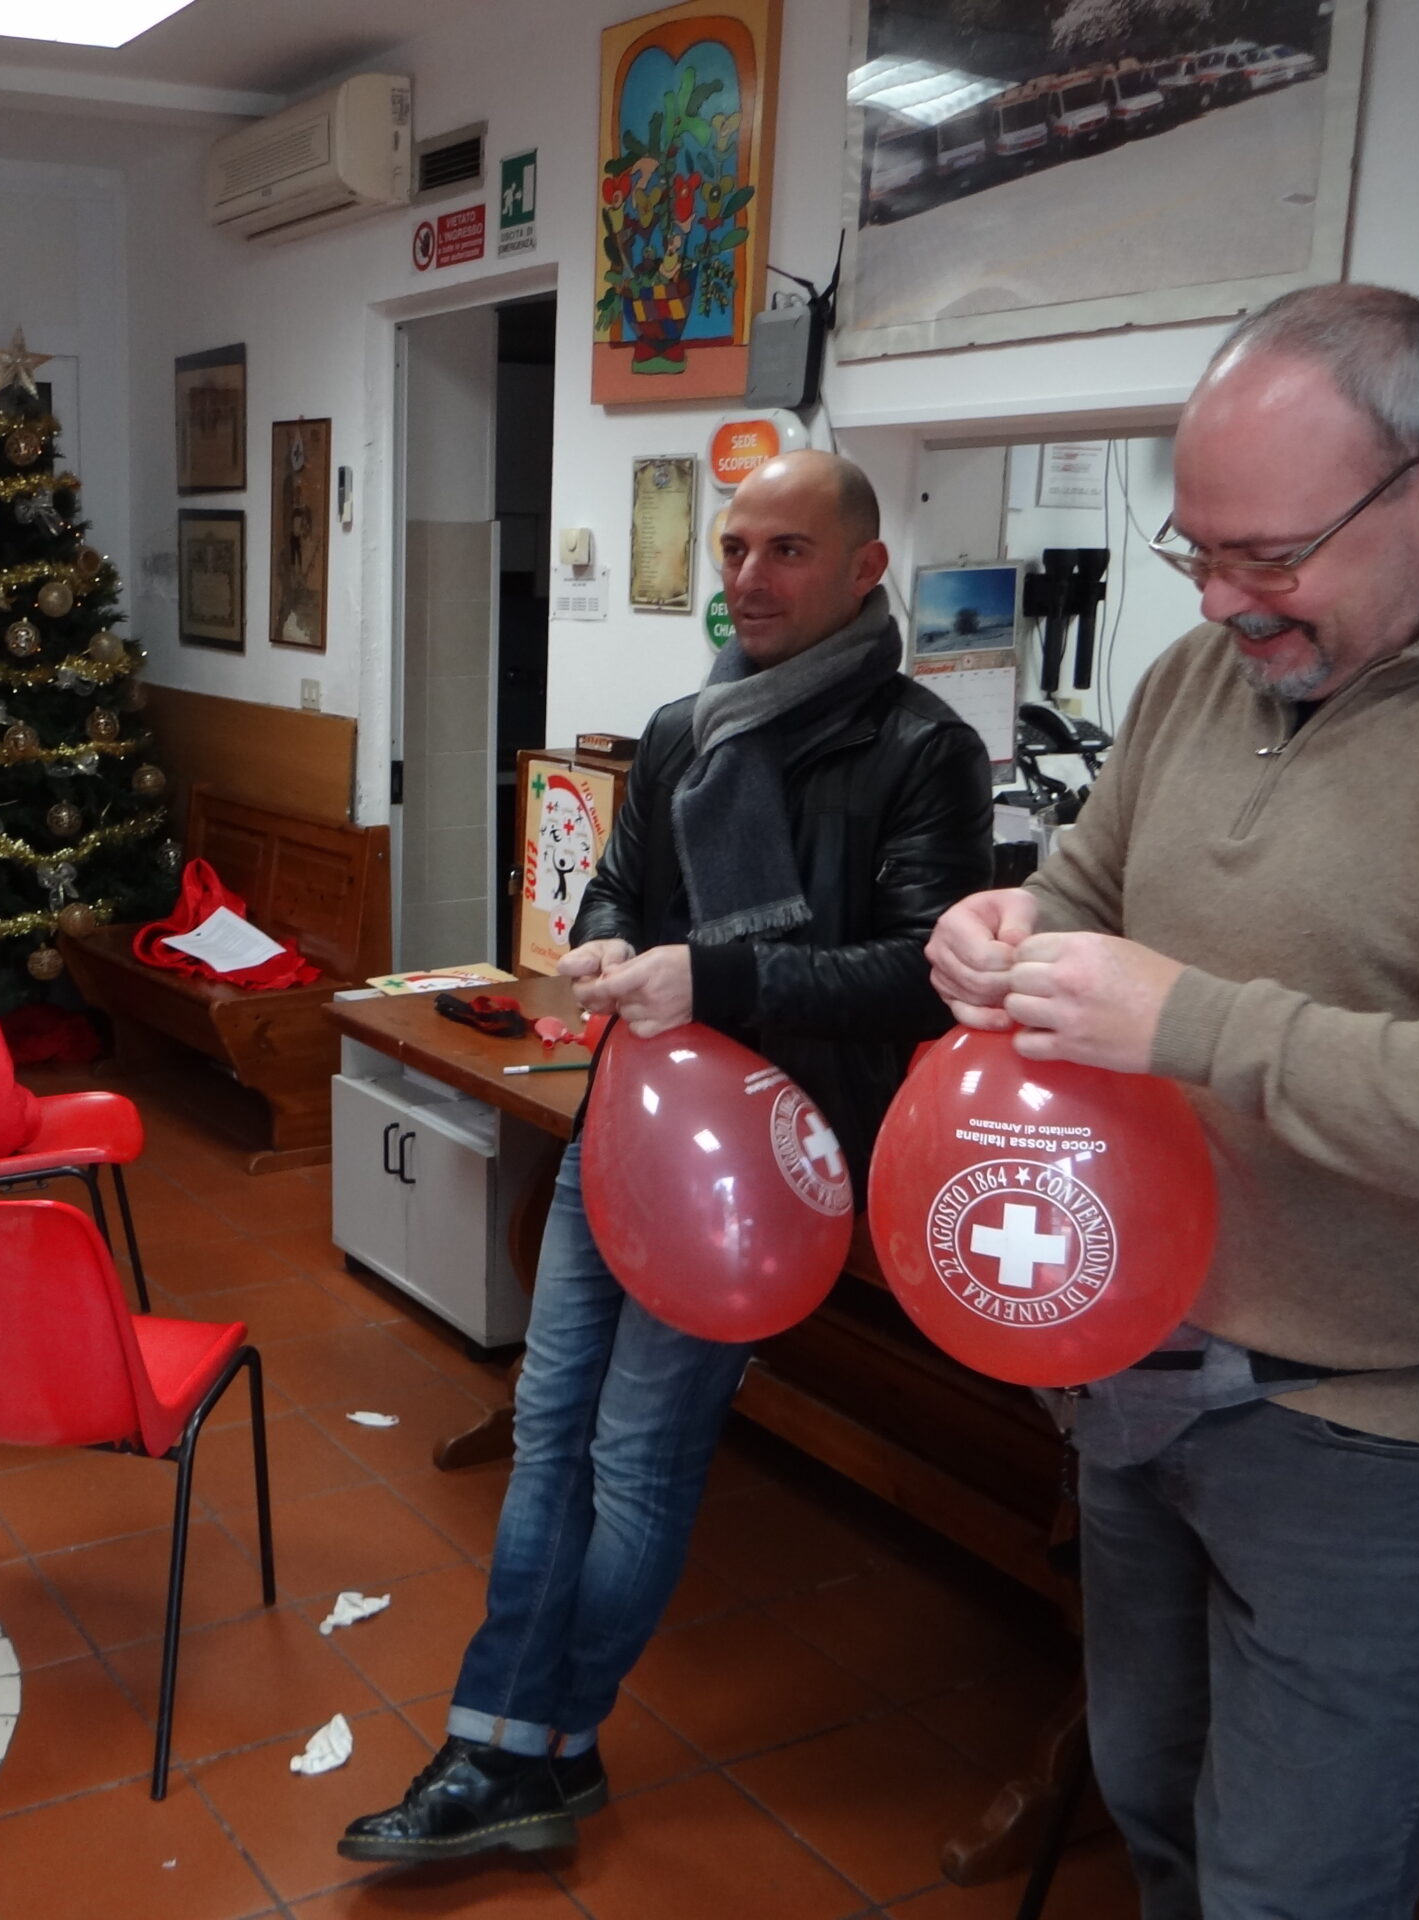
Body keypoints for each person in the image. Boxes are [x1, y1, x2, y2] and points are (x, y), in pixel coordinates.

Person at [926, 283, 1419, 1920]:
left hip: (1390, 1437)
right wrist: (1006, 925)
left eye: (1272, 556)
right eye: (1201, 552)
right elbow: (1089, 883)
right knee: (1155, 1802)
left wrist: (1206, 1027)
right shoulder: (1198, 679)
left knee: (1289, 1891)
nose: (1231, 602)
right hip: (1145, 1373)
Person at [341, 450, 994, 1863]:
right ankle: (523, 1752)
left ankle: (527, 1743)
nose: (746, 579)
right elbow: (621, 884)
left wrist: (715, 977)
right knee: (550, 1427)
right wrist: (611, 940)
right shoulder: (688, 727)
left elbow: (916, 978)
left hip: (769, 1164)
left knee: (636, 1460)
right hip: (628, 1127)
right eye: (736, 548)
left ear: (866, 568)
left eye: (786, 553)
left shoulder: (923, 751)